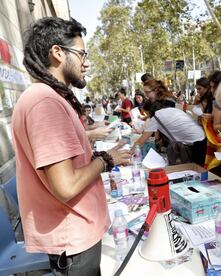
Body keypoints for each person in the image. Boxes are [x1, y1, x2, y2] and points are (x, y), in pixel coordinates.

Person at [11, 17, 132, 275]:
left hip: (73, 233)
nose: (86, 62)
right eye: (81, 53)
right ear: (57, 52)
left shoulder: (46, 98)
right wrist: (106, 159)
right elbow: (65, 186)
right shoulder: (45, 102)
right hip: (72, 237)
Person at [133, 100, 207, 166]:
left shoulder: (155, 118)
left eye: (147, 114)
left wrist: (130, 152)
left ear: (150, 111)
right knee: (200, 169)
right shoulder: (173, 110)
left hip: (195, 142)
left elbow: (140, 142)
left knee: (197, 169)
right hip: (203, 137)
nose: (147, 117)